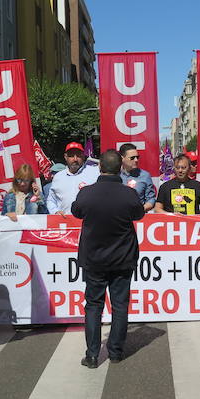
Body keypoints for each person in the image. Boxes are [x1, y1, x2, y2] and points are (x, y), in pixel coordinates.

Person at [71, 150, 146, 367]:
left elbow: (76, 211)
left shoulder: (87, 193)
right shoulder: (128, 194)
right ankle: (115, 352)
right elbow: (139, 214)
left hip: (94, 259)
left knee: (94, 305)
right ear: (119, 168)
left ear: (100, 167)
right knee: (120, 305)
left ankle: (93, 355)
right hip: (123, 258)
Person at [46, 142, 98, 214]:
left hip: (89, 221)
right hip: (66, 222)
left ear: (83, 156)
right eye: (71, 156)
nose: (75, 159)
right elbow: (51, 200)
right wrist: (55, 211)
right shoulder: (58, 177)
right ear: (65, 157)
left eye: (78, 155)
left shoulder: (94, 172)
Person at [119, 143, 156, 212]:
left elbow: (151, 199)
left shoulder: (145, 175)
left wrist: (141, 209)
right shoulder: (116, 175)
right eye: (132, 158)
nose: (136, 160)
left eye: (137, 157)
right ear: (122, 158)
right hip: (120, 217)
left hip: (139, 218)